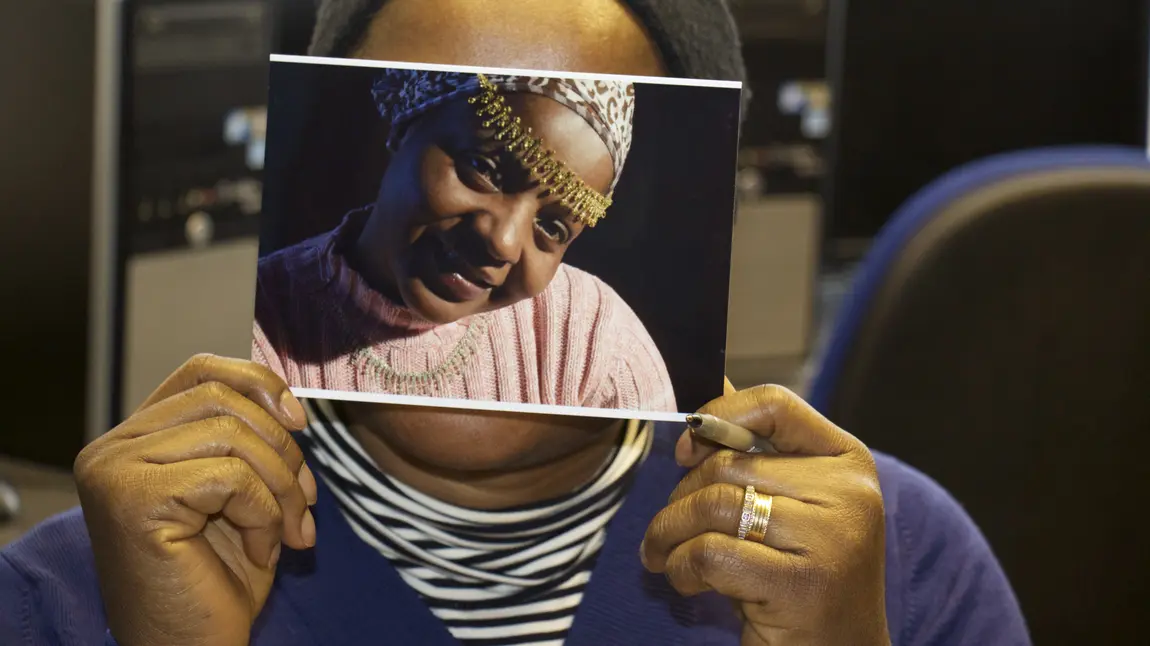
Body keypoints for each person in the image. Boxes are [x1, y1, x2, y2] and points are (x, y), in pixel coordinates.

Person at [0, 1, 1032, 645]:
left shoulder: (886, 561)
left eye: (559, 223)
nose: (501, 244)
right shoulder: (96, 574)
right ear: (390, 128)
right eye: (483, 167)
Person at [253, 66, 678, 412]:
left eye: (552, 228)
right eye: (484, 169)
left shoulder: (596, 344)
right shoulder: (261, 323)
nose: (505, 243)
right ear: (407, 122)